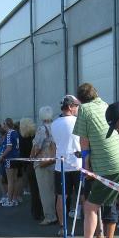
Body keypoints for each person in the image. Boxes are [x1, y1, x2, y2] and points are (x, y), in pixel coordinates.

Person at [69, 83, 119, 238]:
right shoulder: (105, 104)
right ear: (96, 94)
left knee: (91, 206)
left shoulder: (84, 110)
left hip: (109, 164)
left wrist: (86, 165)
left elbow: (84, 142)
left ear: (80, 99)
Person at [50, 95, 81, 229]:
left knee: (61, 197)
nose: (78, 108)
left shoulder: (54, 124)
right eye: (76, 106)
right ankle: (89, 226)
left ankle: (63, 227)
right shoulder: (78, 121)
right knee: (84, 196)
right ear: (70, 107)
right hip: (78, 164)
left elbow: (54, 145)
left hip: (61, 165)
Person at [31, 106, 58, 225]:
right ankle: (56, 214)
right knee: (53, 190)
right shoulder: (56, 126)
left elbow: (37, 146)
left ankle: (49, 216)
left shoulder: (42, 129)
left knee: (45, 191)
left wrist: (31, 157)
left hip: (43, 162)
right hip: (54, 161)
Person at [0, 118, 21, 207]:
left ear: (6, 124)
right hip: (16, 158)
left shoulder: (9, 134)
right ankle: (14, 199)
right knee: (15, 180)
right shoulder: (16, 132)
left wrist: (2, 156)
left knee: (10, 181)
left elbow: (9, 148)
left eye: (3, 124)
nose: (2, 126)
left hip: (10, 159)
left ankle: (9, 200)